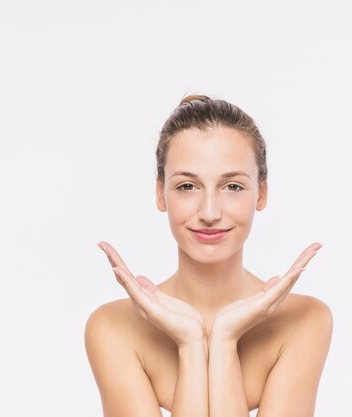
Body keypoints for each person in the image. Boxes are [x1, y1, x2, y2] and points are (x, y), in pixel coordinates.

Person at [84, 95, 333, 417]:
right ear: (161, 193)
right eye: (188, 186)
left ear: (262, 192)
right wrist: (191, 344)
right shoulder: (113, 328)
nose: (210, 212)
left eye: (232, 186)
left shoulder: (304, 319)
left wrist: (224, 339)